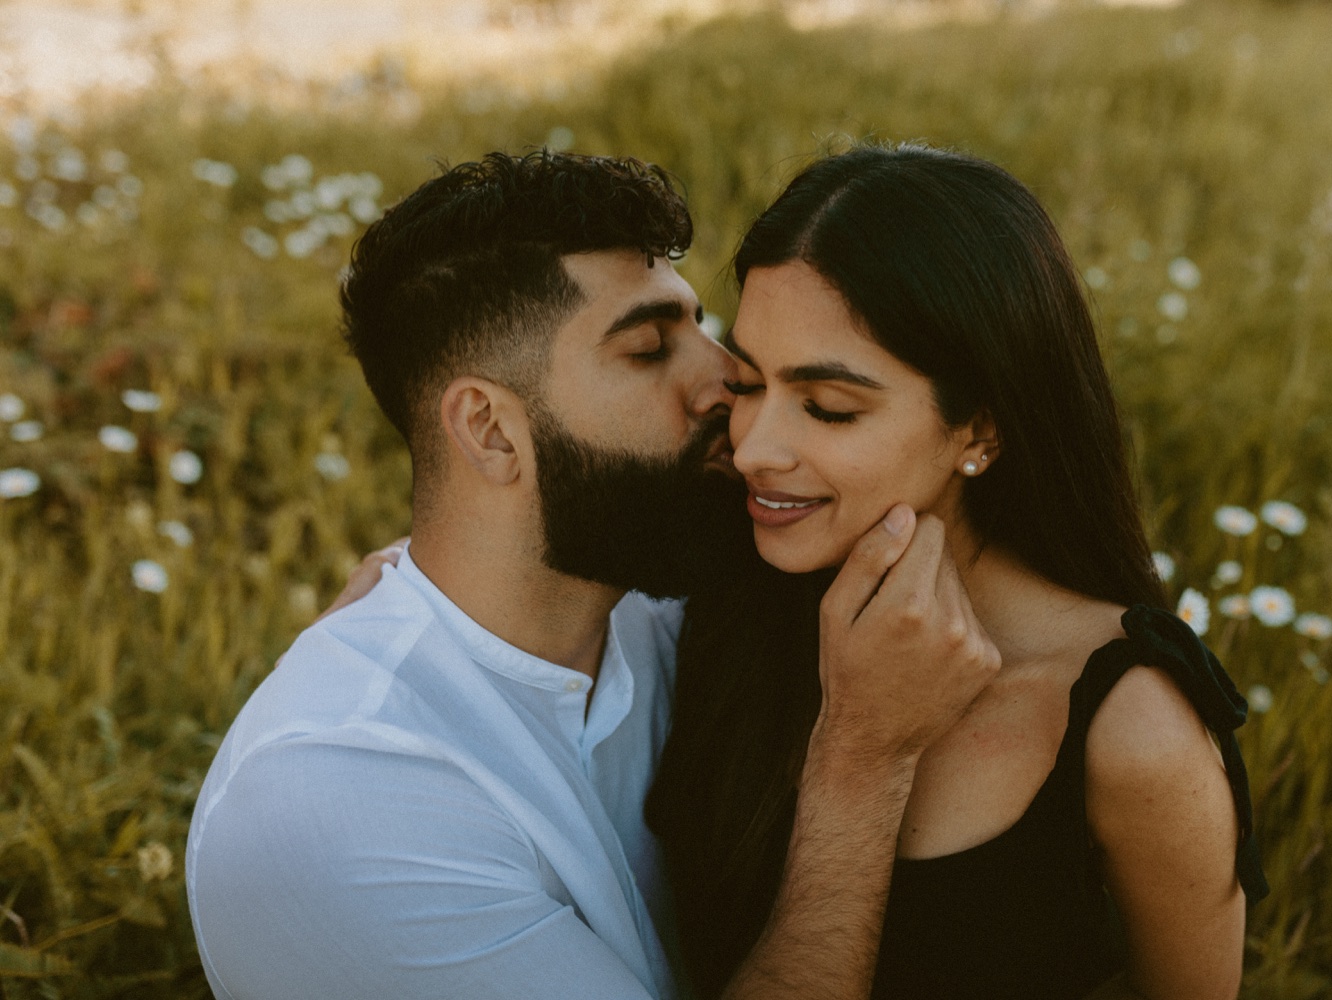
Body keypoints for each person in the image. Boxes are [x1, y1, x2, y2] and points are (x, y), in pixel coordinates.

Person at [185, 151, 1001, 1000]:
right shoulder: (344, 801)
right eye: (650, 350)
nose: (728, 381)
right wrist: (861, 764)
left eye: (701, 327)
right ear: (492, 431)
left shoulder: (647, 600)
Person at [645, 144, 1269, 1000]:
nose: (753, 448)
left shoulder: (1130, 730)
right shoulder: (725, 577)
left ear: (979, 428)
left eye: (829, 407)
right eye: (749, 380)